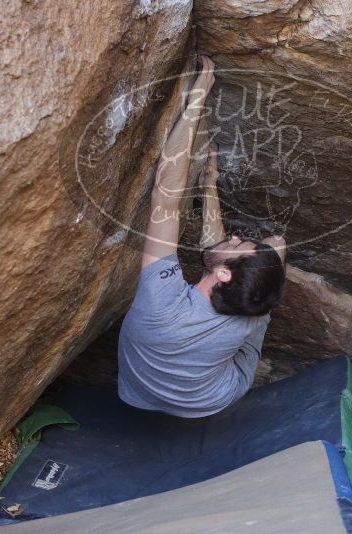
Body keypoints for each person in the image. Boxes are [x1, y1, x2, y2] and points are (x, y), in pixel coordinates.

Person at [117, 56, 287, 418]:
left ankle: (256, 271)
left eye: (238, 245)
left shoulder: (161, 302)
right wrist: (208, 187)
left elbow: (165, 198)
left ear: (223, 275)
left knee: (275, 250)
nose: (238, 236)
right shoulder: (243, 311)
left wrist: (198, 93)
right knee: (275, 252)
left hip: (145, 391)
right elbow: (217, 254)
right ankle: (256, 273)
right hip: (206, 403)